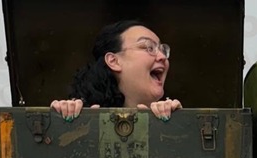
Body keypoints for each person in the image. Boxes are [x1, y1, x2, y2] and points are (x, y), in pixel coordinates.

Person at [50, 20, 181, 121]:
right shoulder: (83, 115)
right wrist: (65, 120)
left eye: (163, 50)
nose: (162, 57)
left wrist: (178, 123)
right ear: (114, 61)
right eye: (148, 47)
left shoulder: (175, 118)